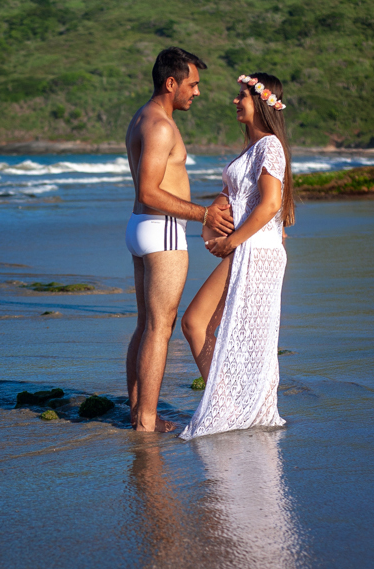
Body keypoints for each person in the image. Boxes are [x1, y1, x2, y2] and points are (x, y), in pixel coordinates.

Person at [179, 72, 295, 440]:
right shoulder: (252, 149)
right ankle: (232, 404)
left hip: (255, 250)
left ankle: (227, 406)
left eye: (242, 95)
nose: (235, 101)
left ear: (260, 102)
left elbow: (271, 203)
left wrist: (231, 242)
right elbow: (232, 195)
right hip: (249, 248)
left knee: (194, 323)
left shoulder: (269, 146)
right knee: (207, 327)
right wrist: (210, 219)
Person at [124, 47, 235, 433]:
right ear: (171, 83)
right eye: (193, 84)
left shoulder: (143, 117)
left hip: (141, 228)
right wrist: (204, 214)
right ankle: (147, 420)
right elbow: (149, 191)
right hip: (162, 230)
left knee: (147, 324)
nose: (197, 92)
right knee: (160, 327)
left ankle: (138, 411)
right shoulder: (160, 126)